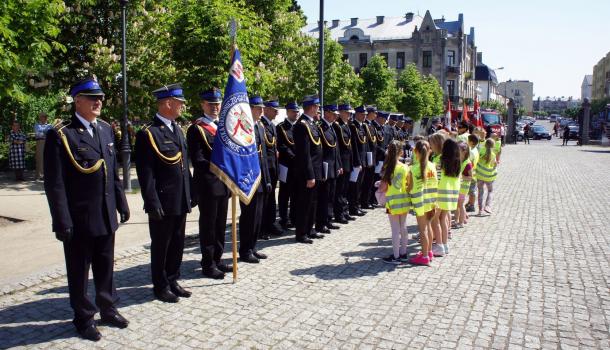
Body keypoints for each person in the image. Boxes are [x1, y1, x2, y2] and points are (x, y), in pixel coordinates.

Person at [44, 77, 130, 341]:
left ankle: (108, 307)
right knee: (80, 269)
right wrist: (62, 220)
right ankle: (83, 318)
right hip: (79, 217)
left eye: (100, 97)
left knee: (106, 264)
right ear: (77, 101)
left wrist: (122, 203)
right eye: (92, 98)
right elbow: (55, 184)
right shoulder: (61, 135)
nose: (98, 102)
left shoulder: (104, 129)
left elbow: (112, 173)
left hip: (105, 212)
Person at [135, 83, 194, 302]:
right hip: (163, 200)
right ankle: (160, 285)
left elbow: (183, 167)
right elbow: (146, 173)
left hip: (179, 198)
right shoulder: (149, 134)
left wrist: (190, 193)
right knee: (161, 245)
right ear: (168, 103)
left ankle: (172, 278)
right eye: (179, 103)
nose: (182, 106)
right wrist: (151, 202)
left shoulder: (177, 129)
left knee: (178, 242)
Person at [185, 87, 232, 280]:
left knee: (221, 224)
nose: (215, 107)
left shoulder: (224, 126)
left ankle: (218, 258)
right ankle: (208, 263)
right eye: (211, 104)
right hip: (208, 184)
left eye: (217, 104)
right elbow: (198, 160)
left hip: (224, 183)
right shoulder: (197, 128)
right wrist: (221, 165)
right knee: (209, 225)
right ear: (203, 105)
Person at [238, 96, 273, 263]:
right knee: (248, 217)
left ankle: (253, 246)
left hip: (260, 178)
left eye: (261, 108)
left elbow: (264, 157)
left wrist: (267, 180)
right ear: (249, 109)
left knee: (258, 217)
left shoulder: (259, 127)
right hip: (248, 179)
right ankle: (244, 251)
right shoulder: (243, 128)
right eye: (258, 108)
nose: (261, 111)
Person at [293, 95, 324, 243]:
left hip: (316, 170)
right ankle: (301, 233)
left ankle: (310, 229)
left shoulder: (311, 123)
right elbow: (304, 154)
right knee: (304, 203)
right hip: (307, 173)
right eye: (317, 106)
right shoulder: (301, 125)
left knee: (313, 202)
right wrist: (310, 175)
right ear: (311, 107)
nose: (318, 109)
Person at [379, 140, 411, 265]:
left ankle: (396, 256)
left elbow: (383, 187)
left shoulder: (388, 167)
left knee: (395, 230)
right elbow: (409, 184)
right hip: (404, 200)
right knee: (403, 227)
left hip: (392, 201)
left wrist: (378, 185)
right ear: (401, 152)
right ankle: (403, 253)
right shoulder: (405, 167)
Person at [407, 140, 437, 266]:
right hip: (431, 200)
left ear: (415, 152)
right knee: (428, 227)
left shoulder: (413, 169)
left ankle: (424, 257)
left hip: (420, 202)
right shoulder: (432, 165)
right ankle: (429, 252)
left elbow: (409, 187)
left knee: (423, 229)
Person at [315, 104, 342, 234]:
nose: (336, 115)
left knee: (331, 196)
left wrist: (339, 165)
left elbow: (336, 149)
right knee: (323, 197)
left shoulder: (331, 127)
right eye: (334, 113)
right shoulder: (320, 127)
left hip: (333, 167)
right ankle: (320, 223)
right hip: (325, 168)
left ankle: (328, 220)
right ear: (327, 113)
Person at [434, 138, 460, 257]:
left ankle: (439, 245)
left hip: (439, 193)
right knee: (443, 219)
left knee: (435, 220)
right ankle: (444, 244)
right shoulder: (457, 162)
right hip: (450, 194)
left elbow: (436, 178)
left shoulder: (440, 161)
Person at [260, 99, 282, 238]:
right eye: (274, 110)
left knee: (271, 197)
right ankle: (262, 227)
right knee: (264, 199)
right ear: (266, 109)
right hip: (265, 168)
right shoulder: (260, 125)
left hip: (273, 166)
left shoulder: (272, 126)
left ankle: (271, 223)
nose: (276, 112)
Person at [277, 101, 299, 230]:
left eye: (297, 112)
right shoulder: (281, 127)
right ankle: (284, 219)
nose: (295, 114)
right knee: (285, 193)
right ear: (287, 112)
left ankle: (294, 217)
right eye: (293, 112)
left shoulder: (300, 126)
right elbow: (282, 145)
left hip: (298, 166)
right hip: (287, 165)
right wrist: (294, 157)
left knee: (296, 193)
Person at [333, 104, 355, 223]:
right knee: (339, 191)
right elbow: (339, 147)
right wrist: (339, 164)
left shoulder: (346, 125)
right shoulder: (338, 126)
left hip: (348, 162)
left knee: (345, 189)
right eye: (347, 112)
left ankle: (344, 211)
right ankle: (339, 214)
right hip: (342, 161)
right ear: (340, 112)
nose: (349, 115)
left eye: (350, 113)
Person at [348, 105, 367, 217]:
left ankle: (357, 206)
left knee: (359, 185)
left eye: (365, 114)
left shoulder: (361, 126)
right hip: (357, 161)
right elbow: (354, 147)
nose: (365, 116)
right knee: (354, 187)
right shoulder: (353, 126)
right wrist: (358, 162)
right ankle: (353, 208)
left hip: (362, 160)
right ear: (358, 114)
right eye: (363, 114)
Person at [361, 106, 378, 209]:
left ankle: (367, 201)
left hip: (373, 156)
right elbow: (367, 144)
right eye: (374, 113)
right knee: (366, 181)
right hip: (368, 157)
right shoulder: (365, 125)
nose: (376, 115)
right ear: (370, 113)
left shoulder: (371, 125)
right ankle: (364, 202)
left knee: (370, 181)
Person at [476, 138, 498, 215]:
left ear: (485, 144)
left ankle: (480, 210)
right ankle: (487, 206)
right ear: (493, 145)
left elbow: (476, 160)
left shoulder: (481, 150)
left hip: (480, 175)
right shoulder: (493, 154)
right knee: (490, 191)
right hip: (489, 176)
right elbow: (495, 165)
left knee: (480, 192)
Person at [457, 141, 473, 227]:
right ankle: (463, 218)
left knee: (461, 204)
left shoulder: (468, 163)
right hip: (459, 186)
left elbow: (471, 177)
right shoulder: (460, 160)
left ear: (464, 151)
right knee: (458, 204)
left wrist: (462, 176)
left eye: (458, 150)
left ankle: (461, 223)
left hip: (463, 187)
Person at [34, 113, 52, 180]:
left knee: (48, 158)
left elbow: (51, 134)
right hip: (40, 142)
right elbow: (37, 134)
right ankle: (39, 175)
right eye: (40, 117)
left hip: (48, 142)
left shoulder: (50, 125)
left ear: (46, 118)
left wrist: (43, 133)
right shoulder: (37, 125)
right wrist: (45, 133)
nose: (41, 118)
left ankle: (47, 175)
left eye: (43, 117)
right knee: (40, 158)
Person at [465, 134, 480, 213]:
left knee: (472, 191)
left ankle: (472, 205)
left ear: (471, 142)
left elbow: (470, 163)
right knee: (471, 190)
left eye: (468, 140)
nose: (466, 142)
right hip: (474, 172)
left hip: (471, 173)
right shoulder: (475, 150)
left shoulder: (471, 152)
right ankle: (469, 203)